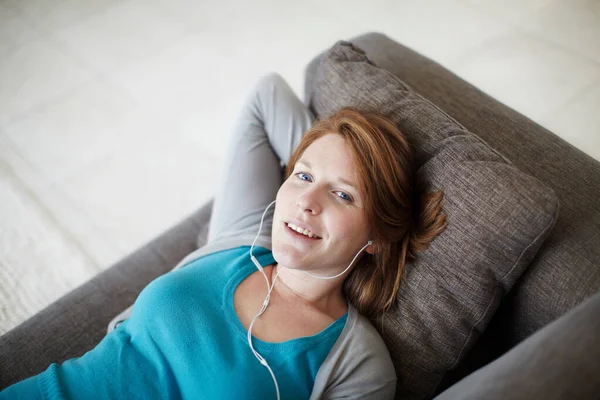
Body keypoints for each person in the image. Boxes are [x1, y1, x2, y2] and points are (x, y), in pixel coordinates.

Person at [0, 72, 447, 399]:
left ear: (378, 239)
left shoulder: (356, 363)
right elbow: (265, 95)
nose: (308, 203)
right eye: (302, 177)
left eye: (343, 196)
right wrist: (334, 150)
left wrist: (368, 191)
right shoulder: (242, 238)